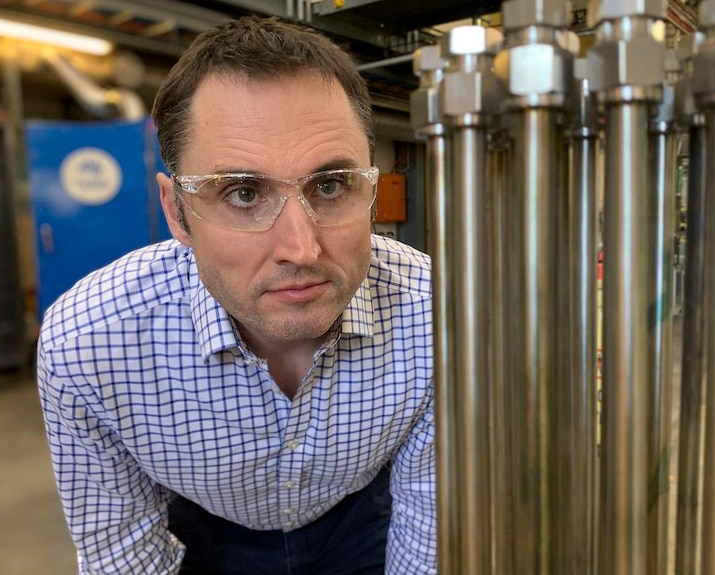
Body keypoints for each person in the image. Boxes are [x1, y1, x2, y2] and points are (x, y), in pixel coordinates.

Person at [36, 16, 435, 575]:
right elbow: (122, 556)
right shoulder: (89, 345)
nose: (301, 248)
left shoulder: (435, 314)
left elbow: (429, 533)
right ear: (178, 212)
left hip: (362, 522)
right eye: (243, 193)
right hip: (206, 533)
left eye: (330, 184)